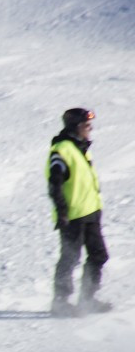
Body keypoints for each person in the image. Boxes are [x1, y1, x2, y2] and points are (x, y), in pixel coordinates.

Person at [46, 107, 111, 317]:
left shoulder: (81, 148)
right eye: (86, 125)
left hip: (90, 212)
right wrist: (62, 210)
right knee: (70, 258)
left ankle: (87, 299)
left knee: (98, 255)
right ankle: (60, 302)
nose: (89, 129)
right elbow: (54, 183)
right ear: (75, 127)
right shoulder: (62, 150)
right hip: (72, 215)